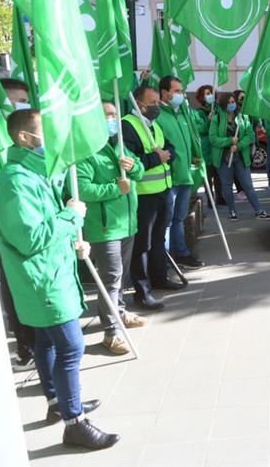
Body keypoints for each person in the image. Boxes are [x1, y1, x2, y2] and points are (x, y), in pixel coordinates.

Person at [0, 109, 120, 449]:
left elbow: (44, 231)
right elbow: (30, 238)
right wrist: (70, 216)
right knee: (70, 346)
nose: (51, 140)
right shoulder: (16, 182)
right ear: (23, 138)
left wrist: (70, 239)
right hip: (43, 282)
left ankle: (58, 404)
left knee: (48, 342)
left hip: (51, 274)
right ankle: (74, 423)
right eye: (43, 133)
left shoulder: (31, 176)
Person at [76, 101, 147, 355]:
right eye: (107, 115)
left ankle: (119, 311)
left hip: (126, 222)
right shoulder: (85, 152)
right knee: (111, 278)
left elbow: (138, 171)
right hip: (104, 227)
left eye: (114, 115)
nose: (112, 119)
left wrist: (134, 166)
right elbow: (81, 189)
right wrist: (116, 188)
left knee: (120, 275)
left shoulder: (120, 145)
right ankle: (111, 331)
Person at [123, 86, 184, 311]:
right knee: (142, 244)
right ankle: (142, 291)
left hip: (163, 191)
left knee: (158, 239)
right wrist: (157, 158)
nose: (157, 107)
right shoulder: (127, 125)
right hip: (143, 195)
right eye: (153, 103)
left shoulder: (153, 125)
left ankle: (160, 278)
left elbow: (169, 147)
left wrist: (167, 155)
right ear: (140, 104)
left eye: (158, 102)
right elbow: (131, 161)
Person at [0, 79, 37, 370]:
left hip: (26, 222)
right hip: (5, 227)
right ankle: (26, 348)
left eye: (24, 99)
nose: (22, 105)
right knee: (12, 287)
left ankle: (35, 343)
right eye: (16, 100)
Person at [156, 76, 204, 269]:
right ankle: (163, 259)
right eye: (176, 91)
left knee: (179, 218)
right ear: (165, 93)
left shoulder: (182, 114)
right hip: (169, 178)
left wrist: (192, 156)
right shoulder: (158, 116)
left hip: (185, 176)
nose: (181, 95)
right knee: (165, 221)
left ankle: (181, 253)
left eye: (181, 91)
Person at [209, 93, 270, 220]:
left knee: (248, 185)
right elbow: (213, 139)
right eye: (229, 102)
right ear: (223, 104)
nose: (232, 104)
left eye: (233, 102)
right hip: (223, 159)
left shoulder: (242, 117)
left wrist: (239, 146)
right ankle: (232, 211)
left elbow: (250, 135)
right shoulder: (217, 119)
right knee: (227, 186)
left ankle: (259, 210)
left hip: (241, 157)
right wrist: (229, 141)